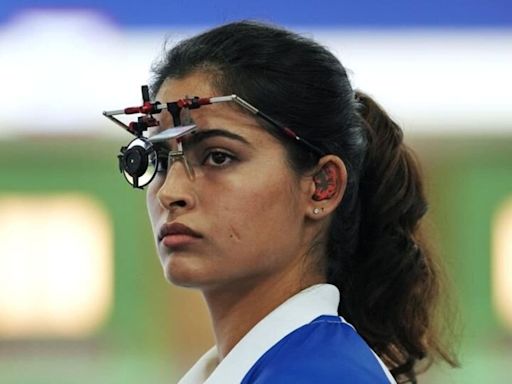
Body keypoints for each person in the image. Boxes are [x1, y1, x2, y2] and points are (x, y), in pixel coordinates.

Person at [111, 21, 458, 383]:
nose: (170, 192)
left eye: (218, 157)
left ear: (321, 186)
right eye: (161, 160)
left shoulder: (322, 374)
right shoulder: (266, 366)